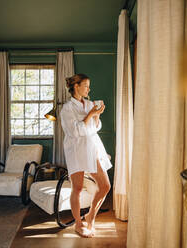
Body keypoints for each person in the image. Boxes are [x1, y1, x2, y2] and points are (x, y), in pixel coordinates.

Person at [60, 73, 112, 238]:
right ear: (76, 86)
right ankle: (78, 223)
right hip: (76, 150)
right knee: (76, 188)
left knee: (105, 186)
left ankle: (90, 216)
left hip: (91, 148)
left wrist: (97, 116)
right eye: (86, 86)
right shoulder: (67, 108)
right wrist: (90, 115)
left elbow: (94, 128)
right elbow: (74, 131)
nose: (89, 89)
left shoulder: (90, 104)